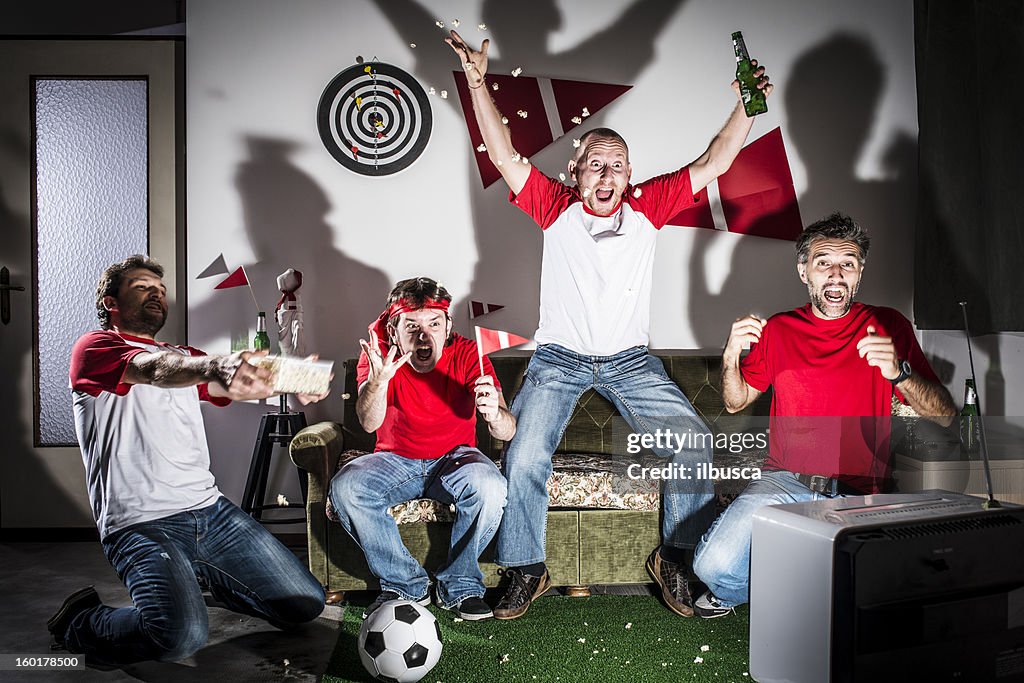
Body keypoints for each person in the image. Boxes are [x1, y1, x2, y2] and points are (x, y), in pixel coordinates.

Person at [446, 30, 773, 619]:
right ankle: (525, 567)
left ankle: (675, 555)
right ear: (576, 171)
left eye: (616, 166)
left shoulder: (649, 206)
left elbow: (715, 160)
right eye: (595, 164)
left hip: (629, 361)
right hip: (559, 359)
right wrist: (476, 79)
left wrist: (746, 107)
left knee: (694, 442)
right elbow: (502, 154)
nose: (606, 175)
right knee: (522, 456)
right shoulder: (555, 206)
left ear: (629, 175)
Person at [48, 255, 327, 666]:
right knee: (179, 637)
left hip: (209, 512)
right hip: (141, 523)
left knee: (305, 605)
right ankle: (82, 622)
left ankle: (196, 577)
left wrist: (299, 378)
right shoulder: (97, 349)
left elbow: (226, 381)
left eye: (160, 290)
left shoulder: (183, 355)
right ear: (111, 303)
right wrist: (213, 364)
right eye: (143, 288)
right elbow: (155, 368)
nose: (157, 295)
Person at [691, 212, 957, 618]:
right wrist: (730, 356)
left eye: (847, 263)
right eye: (823, 263)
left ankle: (799, 585)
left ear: (860, 273)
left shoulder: (888, 325)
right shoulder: (780, 330)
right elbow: (735, 401)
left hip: (862, 490)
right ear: (804, 272)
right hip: (784, 481)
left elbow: (944, 415)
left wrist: (899, 373)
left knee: (885, 590)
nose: (835, 274)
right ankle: (757, 590)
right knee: (712, 565)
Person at [329, 277, 513, 621]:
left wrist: (494, 414)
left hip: (456, 459)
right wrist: (378, 381)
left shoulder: (470, 352)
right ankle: (405, 585)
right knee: (347, 487)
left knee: (490, 485)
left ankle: (459, 585)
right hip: (394, 460)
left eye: (434, 324)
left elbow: (508, 429)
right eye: (411, 326)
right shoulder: (379, 356)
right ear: (394, 330)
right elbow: (368, 423)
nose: (424, 336)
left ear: (448, 327)